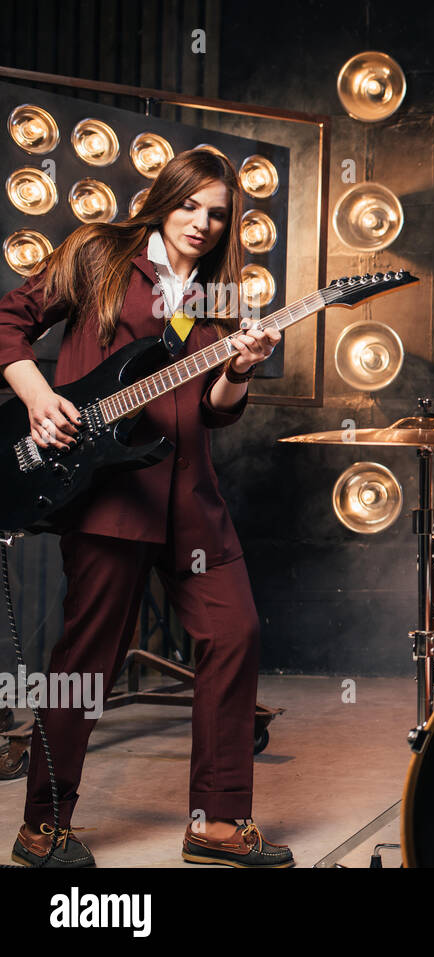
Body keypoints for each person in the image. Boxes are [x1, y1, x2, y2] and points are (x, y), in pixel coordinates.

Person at [0, 149, 293, 867]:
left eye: (218, 213)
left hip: (192, 497)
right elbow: (8, 320)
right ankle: (42, 828)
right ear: (165, 198)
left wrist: (239, 373)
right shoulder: (99, 254)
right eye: (191, 204)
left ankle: (218, 823)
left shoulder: (218, 299)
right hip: (108, 493)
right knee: (87, 661)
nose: (202, 222)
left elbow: (215, 409)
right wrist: (39, 398)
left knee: (236, 632)